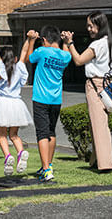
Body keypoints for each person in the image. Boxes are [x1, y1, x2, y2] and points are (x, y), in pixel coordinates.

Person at [62, 11, 112, 173]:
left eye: (91, 26)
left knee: (99, 125)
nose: (89, 29)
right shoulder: (108, 42)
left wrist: (69, 43)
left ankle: (107, 165)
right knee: (98, 124)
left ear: (99, 26)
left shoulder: (97, 44)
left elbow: (79, 60)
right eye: (88, 26)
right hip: (107, 84)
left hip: (95, 85)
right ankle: (96, 160)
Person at [0, 29, 35, 176]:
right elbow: (23, 53)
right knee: (14, 135)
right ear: (14, 59)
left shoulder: (0, 67)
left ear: (2, 59)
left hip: (3, 104)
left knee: (2, 135)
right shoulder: (20, 67)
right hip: (16, 104)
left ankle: (8, 156)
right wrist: (28, 39)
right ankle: (21, 152)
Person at [29, 25, 71, 182]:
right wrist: (67, 41)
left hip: (41, 98)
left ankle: (46, 169)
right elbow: (66, 51)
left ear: (44, 40)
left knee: (42, 133)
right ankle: (48, 165)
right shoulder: (65, 57)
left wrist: (31, 40)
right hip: (56, 99)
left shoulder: (41, 52)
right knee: (51, 132)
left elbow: (28, 58)